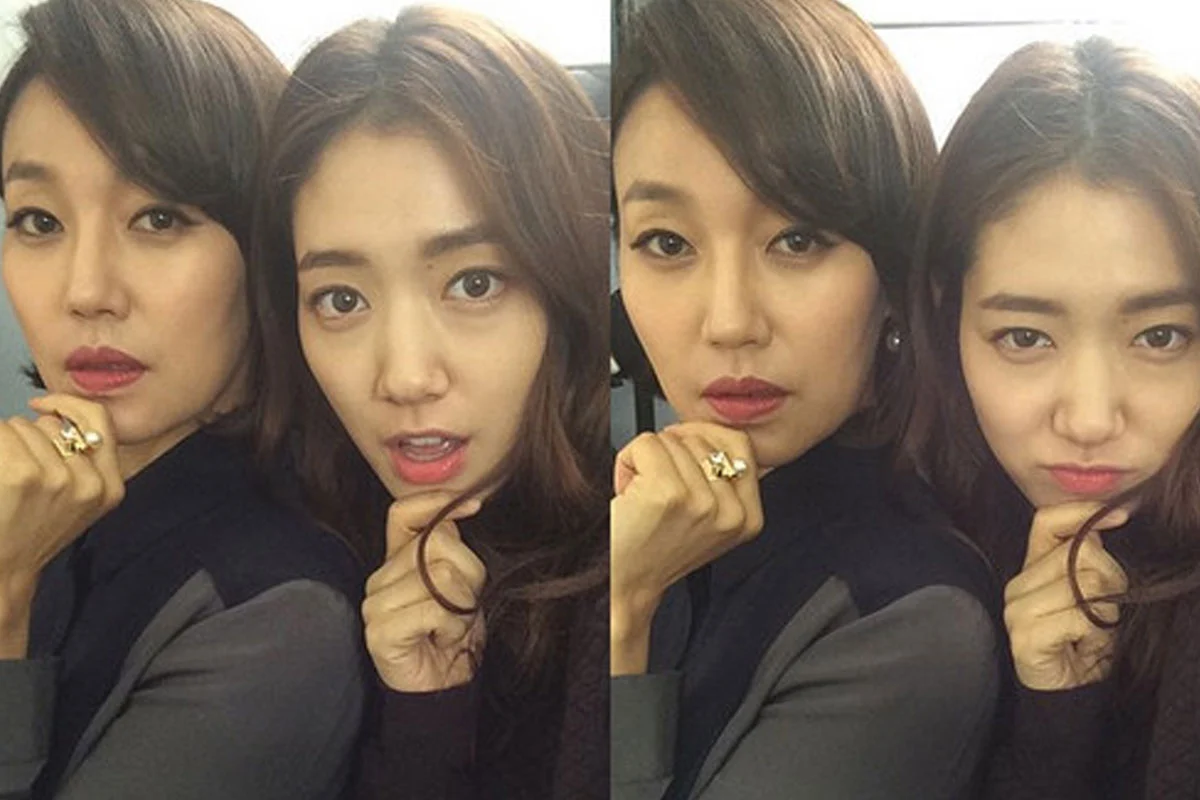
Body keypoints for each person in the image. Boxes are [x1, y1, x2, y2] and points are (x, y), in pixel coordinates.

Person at [608, 0, 1000, 798]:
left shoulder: (910, 620)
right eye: (667, 242)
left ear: (892, 275)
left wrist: (621, 613)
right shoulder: (666, 499)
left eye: (798, 239)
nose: (729, 323)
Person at [0, 0, 366, 798]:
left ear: (266, 242)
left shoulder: (278, 614)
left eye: (158, 217)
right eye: (37, 220)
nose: (85, 291)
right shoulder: (45, 491)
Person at [250, 7, 610, 799]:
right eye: (341, 299)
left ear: (567, 286)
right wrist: (426, 716)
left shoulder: (631, 585)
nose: (406, 376)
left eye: (473, 284)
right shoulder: (277, 561)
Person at [907, 36, 1200, 800]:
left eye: (1160, 337)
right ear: (947, 318)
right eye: (1026, 337)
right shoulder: (913, 543)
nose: (1090, 419)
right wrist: (1057, 718)